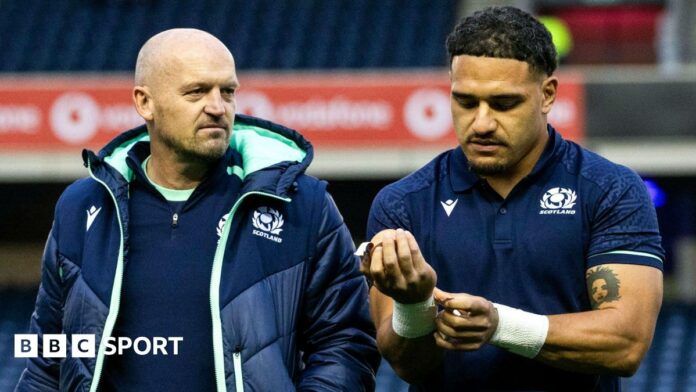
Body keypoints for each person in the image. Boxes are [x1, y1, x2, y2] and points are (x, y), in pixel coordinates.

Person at [16, 28, 379, 392]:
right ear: (145, 102)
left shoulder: (303, 205)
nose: (217, 107)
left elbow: (345, 345)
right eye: (196, 92)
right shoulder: (82, 207)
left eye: (228, 91)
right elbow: (49, 358)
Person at [360, 6, 663, 391]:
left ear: (547, 95)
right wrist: (415, 304)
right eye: (466, 102)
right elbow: (408, 368)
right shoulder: (402, 204)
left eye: (504, 104)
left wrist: (500, 325)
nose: (482, 123)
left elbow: (626, 344)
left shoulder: (610, 190)